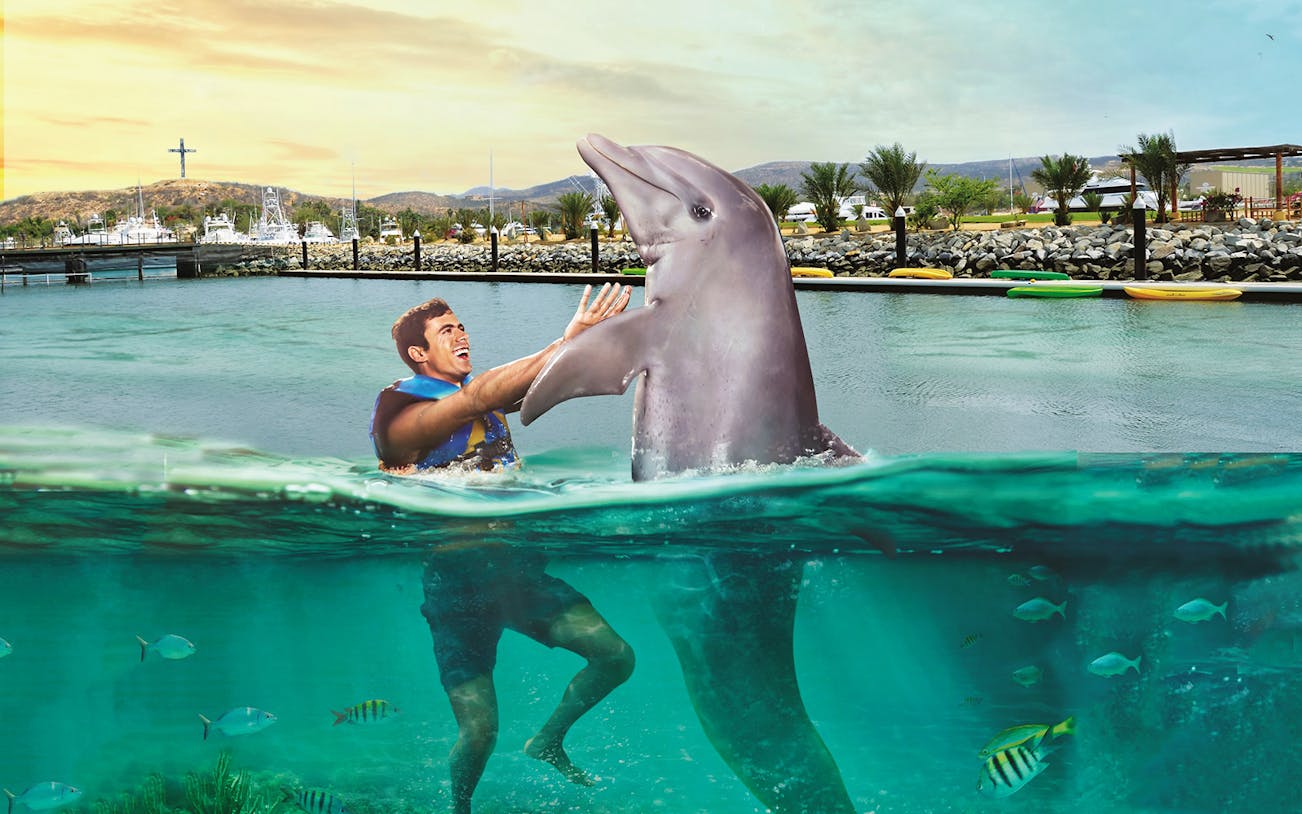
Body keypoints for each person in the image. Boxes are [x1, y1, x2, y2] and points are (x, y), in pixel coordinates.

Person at [370, 284, 635, 814]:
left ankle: (548, 740)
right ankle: (461, 809)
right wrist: (564, 339)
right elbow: (481, 397)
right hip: (456, 586)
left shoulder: (479, 392)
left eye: (462, 325)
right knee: (480, 731)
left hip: (518, 573)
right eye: (447, 330)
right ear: (419, 353)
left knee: (615, 657)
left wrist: (581, 347)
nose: (462, 334)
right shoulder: (399, 410)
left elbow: (526, 386)